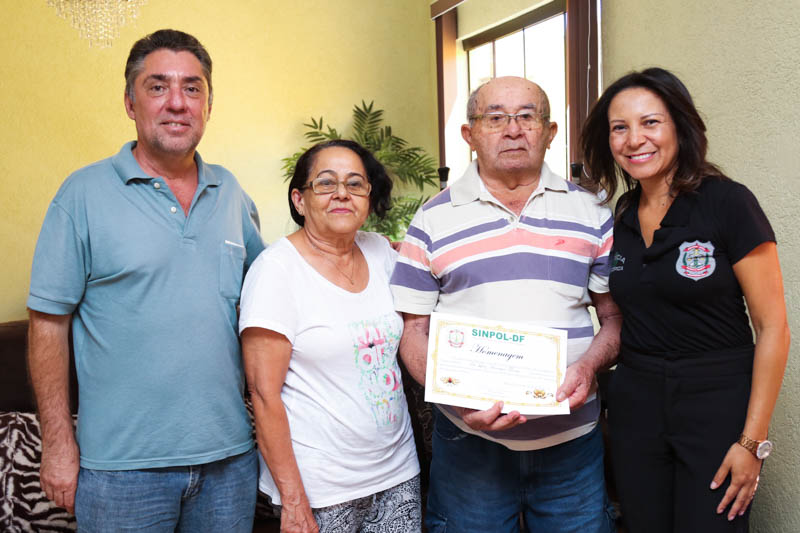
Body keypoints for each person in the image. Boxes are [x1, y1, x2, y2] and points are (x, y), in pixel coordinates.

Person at [27, 29, 264, 532]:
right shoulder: (81, 194)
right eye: (158, 87)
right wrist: (57, 443)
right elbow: (47, 325)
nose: (177, 102)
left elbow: (276, 288)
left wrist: (361, 252)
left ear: (208, 104)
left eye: (192, 88)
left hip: (230, 465)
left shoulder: (232, 194)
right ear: (130, 103)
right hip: (121, 474)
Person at [390, 76, 620, 532]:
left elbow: (613, 317)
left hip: (572, 443)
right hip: (469, 442)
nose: (513, 129)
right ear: (470, 134)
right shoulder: (432, 219)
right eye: (495, 118)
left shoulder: (593, 213)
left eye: (527, 116)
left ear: (550, 132)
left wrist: (589, 367)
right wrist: (455, 395)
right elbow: (412, 330)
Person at [580, 67, 790, 532]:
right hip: (637, 404)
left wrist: (752, 442)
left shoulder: (729, 203)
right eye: (620, 127)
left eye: (650, 122)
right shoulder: (624, 214)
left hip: (717, 404)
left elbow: (773, 327)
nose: (635, 139)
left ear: (679, 125)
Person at [239, 139, 421, 533]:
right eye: (325, 183)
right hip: (320, 486)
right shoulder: (276, 272)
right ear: (299, 199)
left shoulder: (384, 254)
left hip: (398, 472)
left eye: (356, 184)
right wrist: (293, 500)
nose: (342, 193)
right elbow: (264, 396)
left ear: (368, 199)